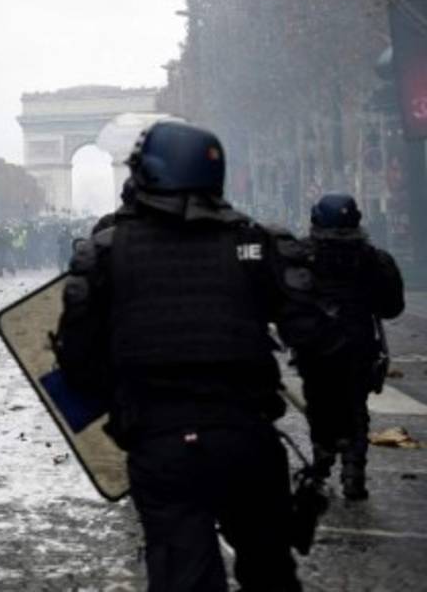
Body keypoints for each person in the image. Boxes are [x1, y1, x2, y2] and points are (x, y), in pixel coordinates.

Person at [55, 121, 317, 592]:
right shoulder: (255, 243)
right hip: (246, 433)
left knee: (184, 573)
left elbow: (77, 361)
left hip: (162, 439)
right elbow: (312, 335)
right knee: (271, 570)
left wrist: (117, 397)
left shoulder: (108, 252)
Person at [293, 193, 404, 500]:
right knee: (356, 408)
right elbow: (392, 306)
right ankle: (354, 470)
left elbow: (287, 298)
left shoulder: (301, 255)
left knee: (319, 403)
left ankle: (322, 458)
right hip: (359, 346)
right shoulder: (373, 258)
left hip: (315, 346)